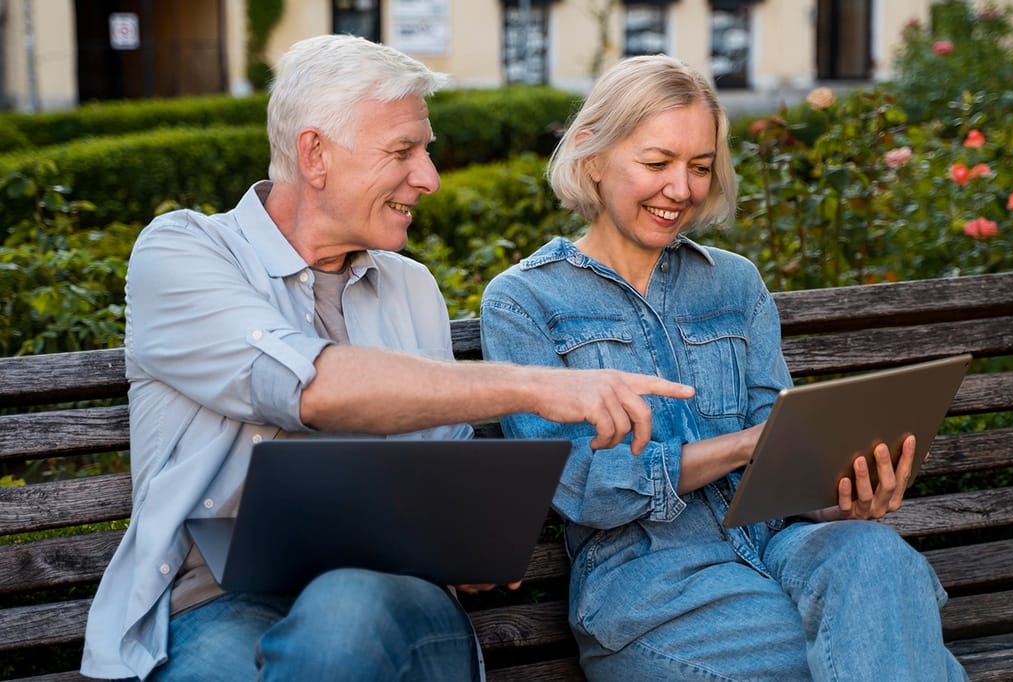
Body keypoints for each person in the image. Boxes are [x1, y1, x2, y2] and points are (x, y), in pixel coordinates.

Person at [80, 36, 695, 682]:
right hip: (216, 607)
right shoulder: (182, 254)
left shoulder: (410, 288)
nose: (428, 177)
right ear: (314, 154)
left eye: (424, 151)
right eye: (403, 151)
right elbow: (306, 384)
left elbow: (445, 482)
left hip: (395, 602)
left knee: (346, 608)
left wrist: (474, 548)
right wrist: (536, 387)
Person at [479, 54, 968, 681]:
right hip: (652, 589)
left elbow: (783, 453)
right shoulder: (526, 300)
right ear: (591, 155)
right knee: (890, 652)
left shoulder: (734, 284)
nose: (681, 189)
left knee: (875, 556)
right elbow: (581, 484)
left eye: (700, 167)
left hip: (781, 548)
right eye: (657, 163)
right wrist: (740, 447)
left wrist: (841, 493)